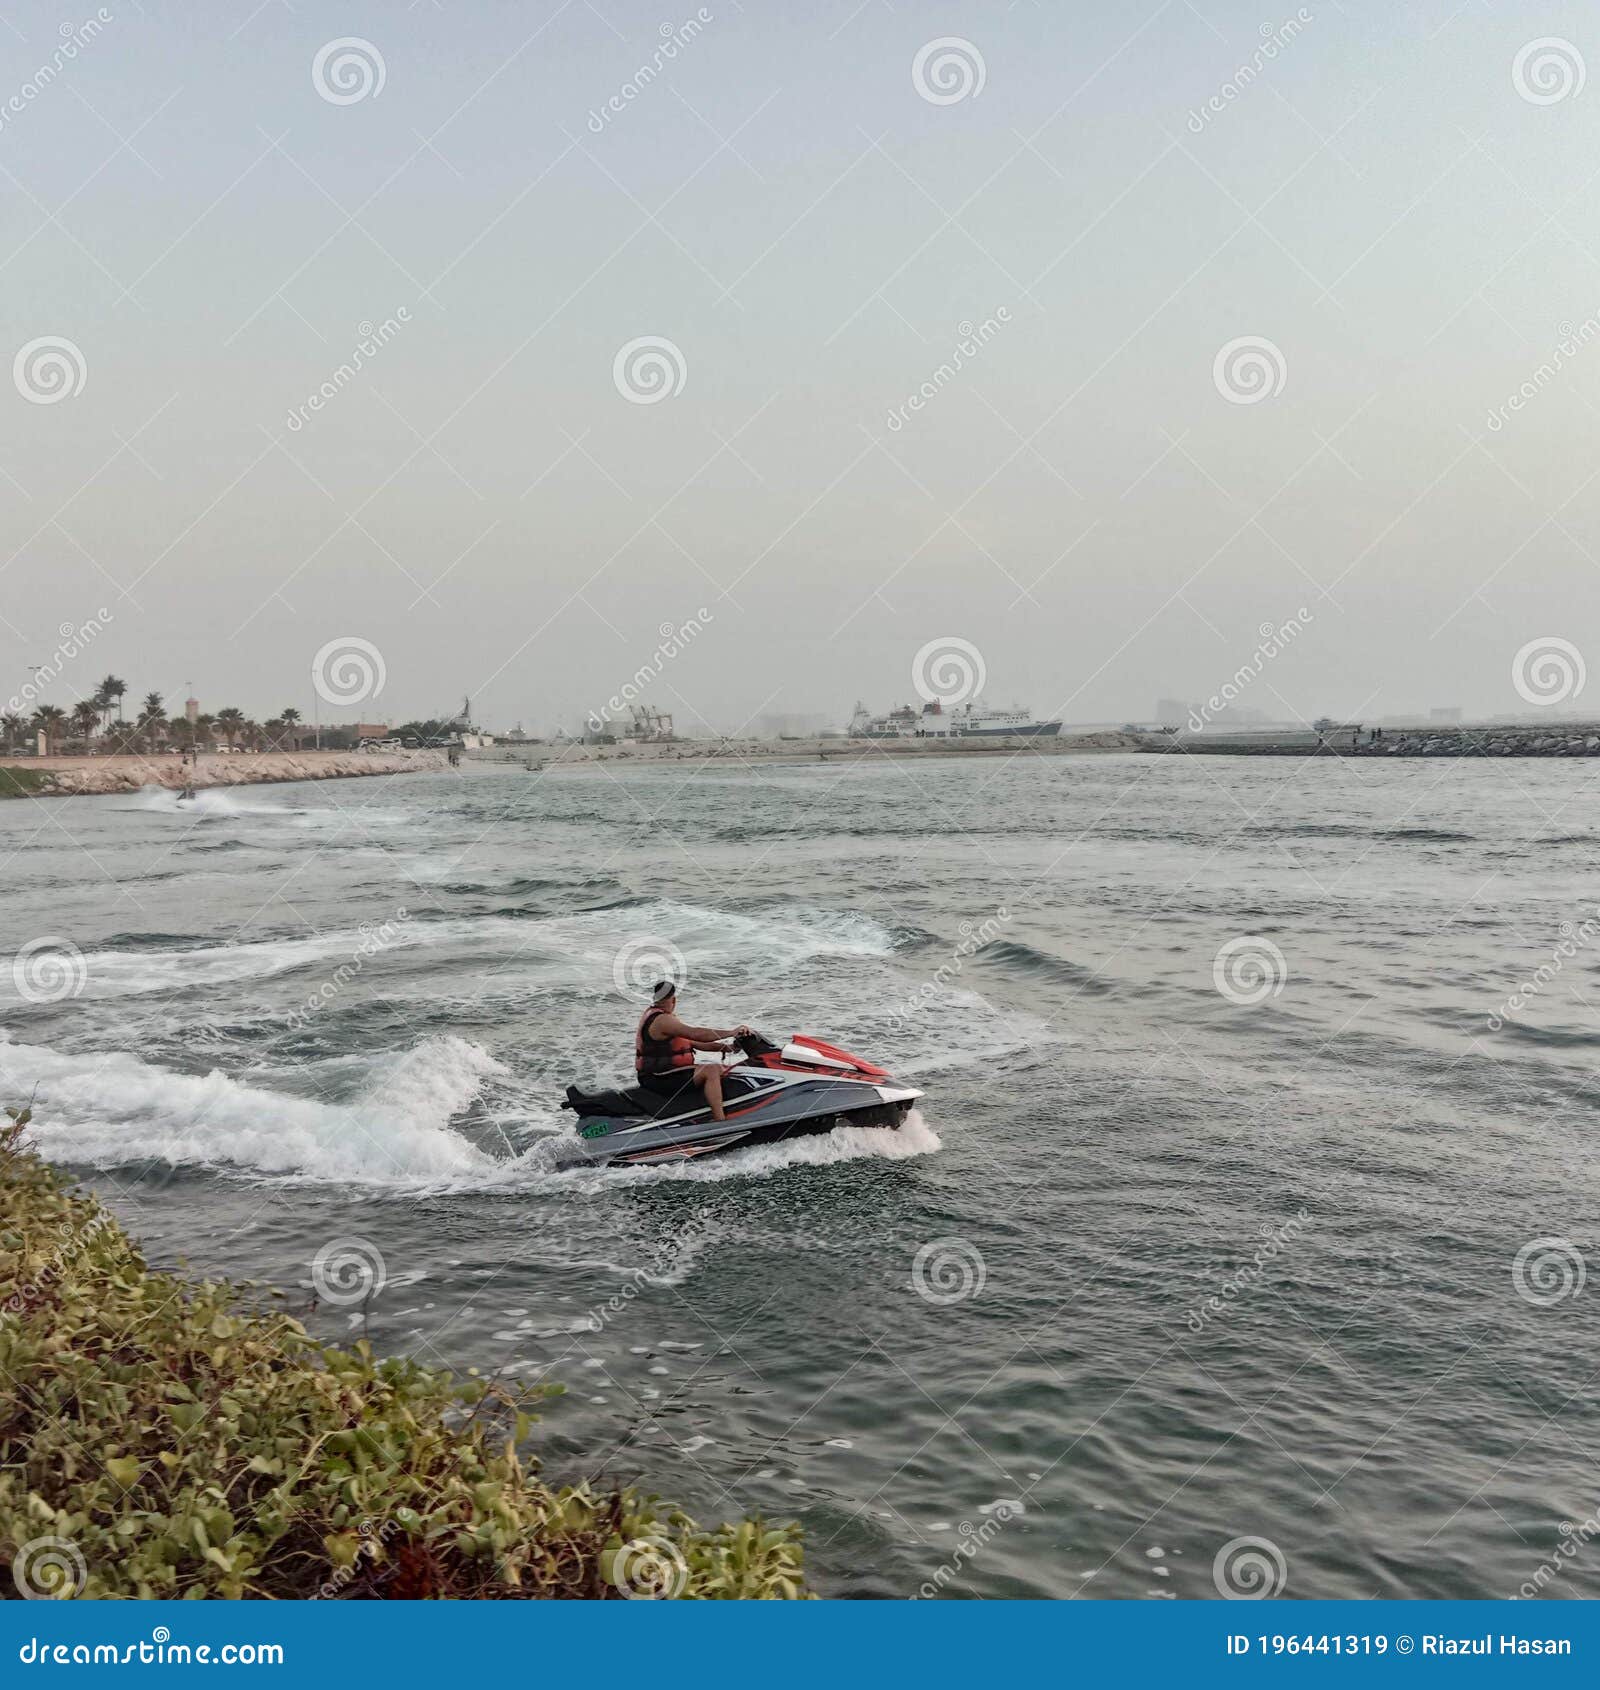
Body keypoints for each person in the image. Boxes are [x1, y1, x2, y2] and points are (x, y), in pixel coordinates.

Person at [635, 981, 750, 1121]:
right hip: (658, 1078)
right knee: (711, 1070)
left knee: (721, 1069)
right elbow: (696, 1034)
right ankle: (720, 1121)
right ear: (673, 1000)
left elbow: (695, 1043)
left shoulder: (661, 1018)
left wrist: (728, 1048)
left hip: (662, 1075)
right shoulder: (662, 1020)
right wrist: (731, 1032)